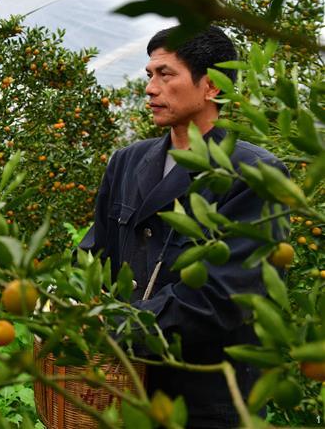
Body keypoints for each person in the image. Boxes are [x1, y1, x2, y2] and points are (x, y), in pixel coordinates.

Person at [80, 26, 285, 427]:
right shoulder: (127, 162)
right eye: (149, 75)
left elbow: (224, 297)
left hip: (206, 399)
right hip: (127, 389)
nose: (150, 88)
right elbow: (94, 253)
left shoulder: (253, 174)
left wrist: (119, 324)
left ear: (211, 86)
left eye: (165, 74)